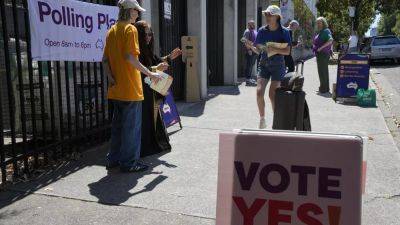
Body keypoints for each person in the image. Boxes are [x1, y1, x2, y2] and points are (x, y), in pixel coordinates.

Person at [102, 0, 161, 173]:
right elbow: (130, 57)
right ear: (130, 11)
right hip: (130, 89)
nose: (138, 14)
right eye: (136, 11)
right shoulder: (130, 29)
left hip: (116, 89)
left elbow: (105, 60)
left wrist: (111, 78)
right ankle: (129, 163)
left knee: (118, 127)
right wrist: (150, 74)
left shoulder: (111, 31)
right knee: (131, 129)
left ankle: (113, 159)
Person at [134, 20, 182, 157]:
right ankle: (143, 149)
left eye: (150, 34)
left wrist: (169, 57)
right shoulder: (135, 51)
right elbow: (138, 71)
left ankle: (152, 145)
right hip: (141, 91)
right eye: (145, 34)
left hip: (151, 90)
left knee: (153, 119)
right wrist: (156, 68)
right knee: (145, 120)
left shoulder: (147, 49)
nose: (148, 37)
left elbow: (156, 61)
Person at [254, 5, 291, 129]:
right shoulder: (261, 31)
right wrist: (257, 48)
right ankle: (262, 119)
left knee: (272, 95)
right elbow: (258, 47)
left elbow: (287, 51)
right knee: (259, 93)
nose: (267, 17)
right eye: (266, 15)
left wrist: (273, 48)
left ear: (277, 17)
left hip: (278, 66)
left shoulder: (284, 32)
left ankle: (277, 120)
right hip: (264, 64)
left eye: (270, 15)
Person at [313, 17, 333, 94]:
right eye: (317, 23)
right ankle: (323, 87)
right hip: (320, 54)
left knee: (323, 71)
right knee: (321, 71)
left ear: (323, 23)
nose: (318, 24)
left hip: (323, 54)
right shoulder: (321, 32)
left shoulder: (326, 31)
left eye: (319, 22)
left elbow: (330, 40)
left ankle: (324, 88)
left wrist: (320, 48)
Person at [242, 20, 258, 86]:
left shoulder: (254, 31)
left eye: (254, 24)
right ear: (248, 25)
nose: (253, 25)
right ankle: (248, 80)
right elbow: (244, 41)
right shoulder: (247, 31)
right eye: (252, 24)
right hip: (250, 51)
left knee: (251, 65)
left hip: (255, 51)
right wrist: (249, 50)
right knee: (249, 65)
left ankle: (249, 78)